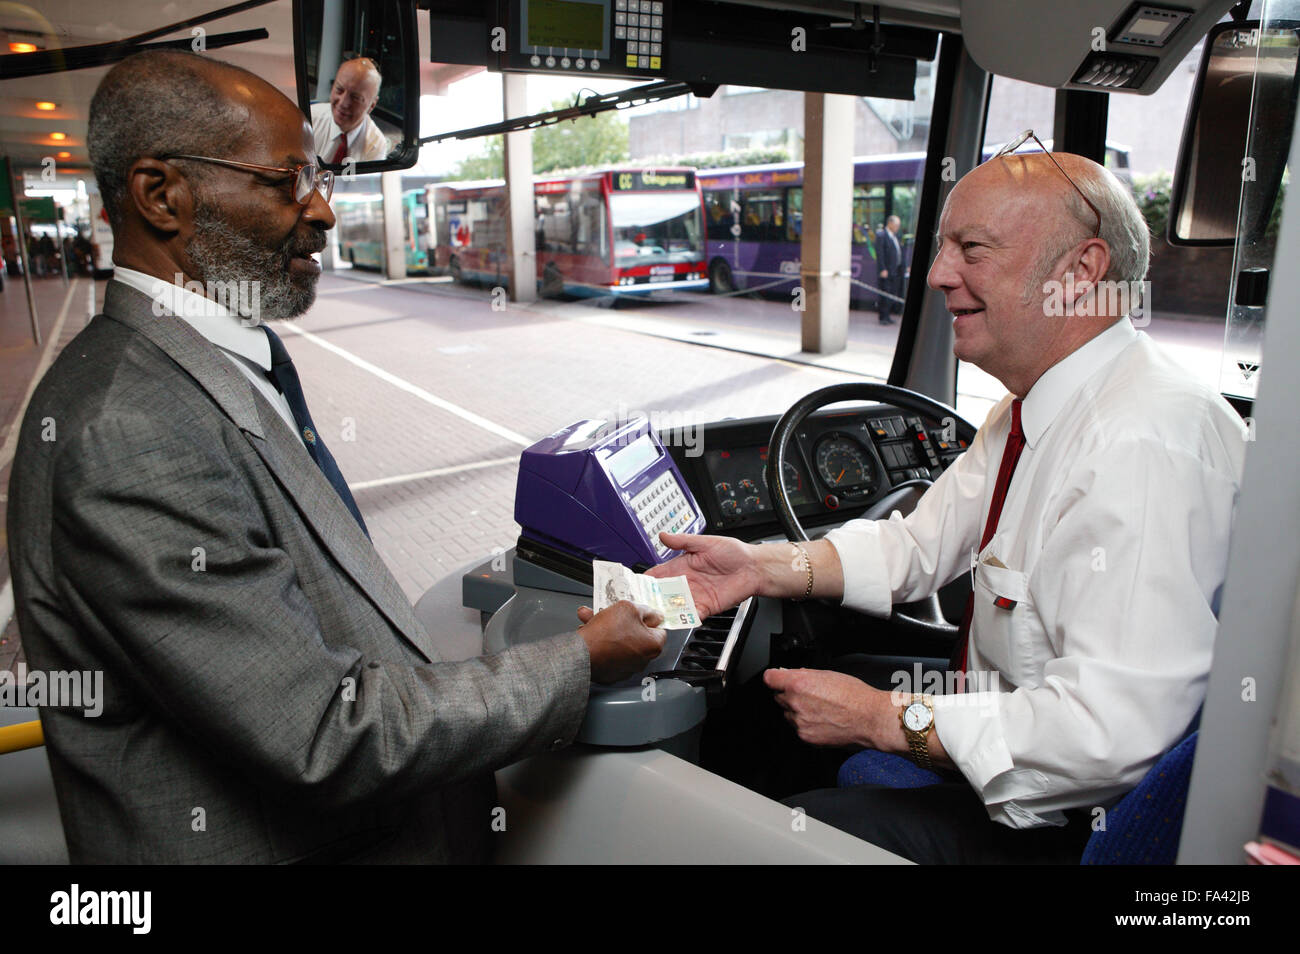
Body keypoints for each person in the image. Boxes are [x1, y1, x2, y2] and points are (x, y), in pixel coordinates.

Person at [6, 50, 665, 864]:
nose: (320, 210)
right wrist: (579, 660)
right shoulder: (127, 430)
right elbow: (321, 730)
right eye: (288, 183)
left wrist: (336, 131)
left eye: (316, 177)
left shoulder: (221, 356)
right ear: (161, 196)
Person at [650, 148, 1247, 864]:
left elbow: (1103, 736)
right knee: (765, 728)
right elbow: (916, 548)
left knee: (766, 839)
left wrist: (882, 717)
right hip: (1020, 738)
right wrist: (756, 566)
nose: (936, 273)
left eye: (972, 249)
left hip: (1070, 822)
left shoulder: (1142, 447)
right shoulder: (1035, 406)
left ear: (1079, 273)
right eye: (941, 248)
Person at [310, 57, 391, 164]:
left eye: (355, 97)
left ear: (372, 105)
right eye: (339, 90)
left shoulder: (375, 145)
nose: (343, 103)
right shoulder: (310, 118)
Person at [874, 214, 903, 324]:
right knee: (884, 293)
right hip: (886, 271)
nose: (897, 227)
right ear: (890, 223)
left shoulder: (895, 236)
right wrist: (882, 269)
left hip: (895, 271)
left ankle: (887, 315)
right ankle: (883, 317)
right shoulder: (881, 235)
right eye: (896, 225)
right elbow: (880, 254)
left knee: (891, 293)